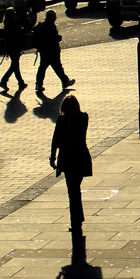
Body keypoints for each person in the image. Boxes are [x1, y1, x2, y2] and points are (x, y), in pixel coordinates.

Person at [50, 95, 92, 232]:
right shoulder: (83, 118)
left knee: (72, 192)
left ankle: (76, 221)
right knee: (75, 190)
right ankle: (78, 219)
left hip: (68, 159)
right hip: (81, 158)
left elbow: (55, 140)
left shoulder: (62, 120)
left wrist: (52, 157)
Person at [32, 10, 75, 94]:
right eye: (54, 16)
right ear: (52, 17)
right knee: (57, 66)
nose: (55, 18)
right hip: (52, 51)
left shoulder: (42, 25)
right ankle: (65, 81)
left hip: (44, 51)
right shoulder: (51, 25)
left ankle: (38, 84)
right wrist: (58, 38)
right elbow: (52, 39)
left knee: (43, 68)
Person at [0, 7, 27, 91]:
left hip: (12, 48)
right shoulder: (13, 24)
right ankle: (6, 81)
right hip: (15, 47)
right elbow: (18, 33)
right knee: (15, 66)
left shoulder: (8, 24)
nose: (15, 14)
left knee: (14, 65)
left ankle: (18, 82)